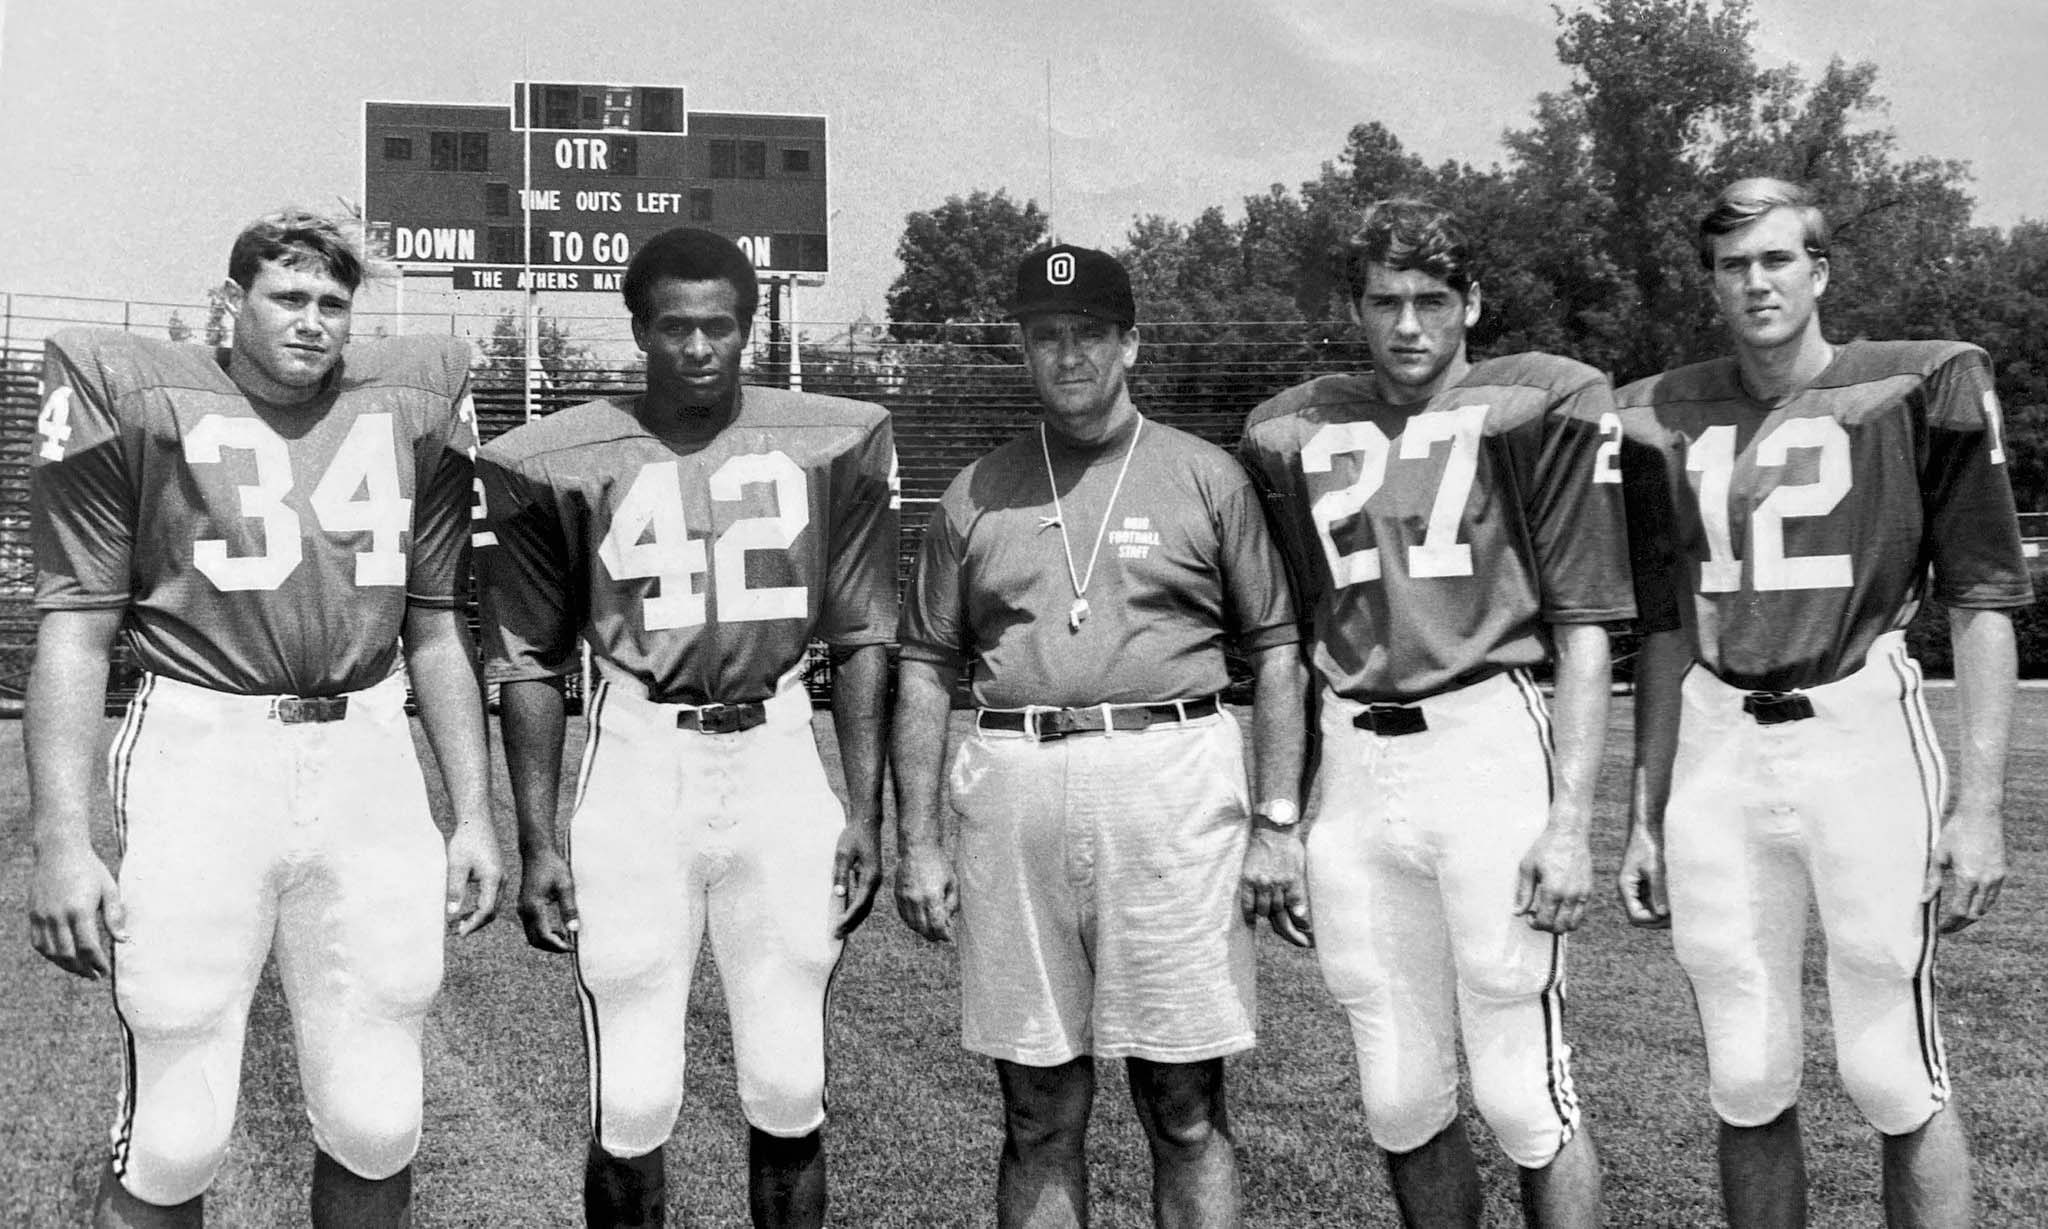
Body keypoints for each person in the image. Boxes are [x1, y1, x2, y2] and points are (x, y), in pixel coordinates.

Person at [25, 208, 501, 1227]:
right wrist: (60, 838)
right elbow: (73, 633)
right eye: (288, 296)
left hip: (368, 750)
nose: (313, 320)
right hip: (205, 746)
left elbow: (436, 627)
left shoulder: (408, 401)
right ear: (229, 301)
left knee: (378, 1113)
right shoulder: (138, 391)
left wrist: (474, 813)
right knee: (175, 1129)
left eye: (334, 302)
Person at [1616, 177, 2034, 1228]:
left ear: (1818, 271)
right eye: (1730, 264)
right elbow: (1662, 628)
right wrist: (1642, 811)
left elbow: (1981, 597)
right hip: (1717, 734)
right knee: (1746, 1071)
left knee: (1890, 1066)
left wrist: (1976, 808)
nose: (1753, 281)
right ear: (1707, 282)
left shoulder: (1916, 382)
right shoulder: (1656, 413)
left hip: (1857, 725)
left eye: (1773, 259)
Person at [475, 227, 896, 1229]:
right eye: (675, 327)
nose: (699, 348)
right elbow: (526, 658)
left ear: (749, 328)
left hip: (780, 748)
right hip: (638, 755)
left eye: (719, 326)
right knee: (631, 1099)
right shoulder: (562, 456)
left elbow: (863, 635)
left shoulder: (830, 438)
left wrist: (864, 811)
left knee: (790, 1086)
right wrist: (537, 840)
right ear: (638, 330)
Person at [892, 243, 1308, 1229]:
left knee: (1184, 1105)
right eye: (1045, 336)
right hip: (1015, 780)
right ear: (1022, 349)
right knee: (1037, 1108)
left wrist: (1277, 821)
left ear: (1131, 342)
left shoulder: (1206, 477)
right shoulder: (978, 493)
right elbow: (922, 666)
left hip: (1170, 781)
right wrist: (915, 840)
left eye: (1088, 334)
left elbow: (1281, 651)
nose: (1067, 355)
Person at [1239, 199, 1629, 1228]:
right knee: (1400, 1093)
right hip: (1354, 759)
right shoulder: (1290, 429)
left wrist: (1570, 820)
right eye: (1383, 301)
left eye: (1430, 299)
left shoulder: (1539, 401)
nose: (1407, 325)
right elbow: (1282, 635)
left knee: (1521, 1091)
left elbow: (1586, 620)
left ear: (1471, 304)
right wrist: (1280, 815)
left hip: (1484, 742)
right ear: (1351, 307)